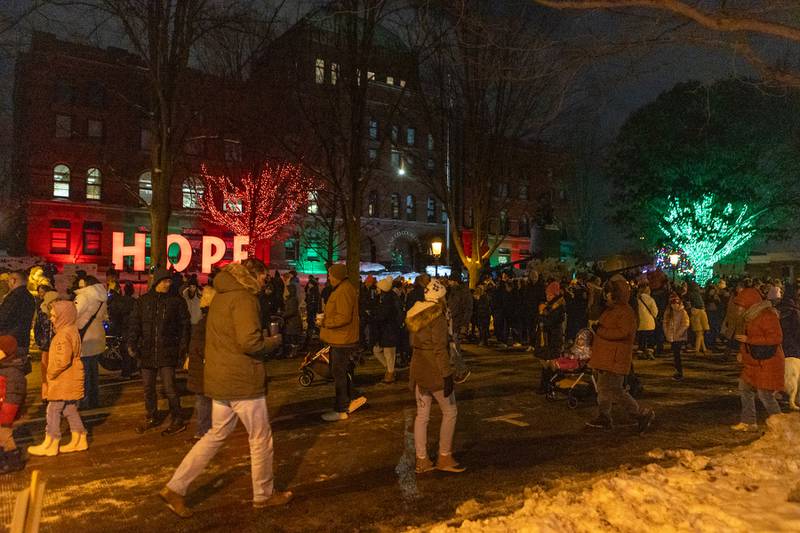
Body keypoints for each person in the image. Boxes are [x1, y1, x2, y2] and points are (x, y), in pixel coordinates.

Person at [160, 259, 290, 517]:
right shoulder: (244, 299)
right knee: (260, 438)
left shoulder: (220, 296)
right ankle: (263, 495)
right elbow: (249, 343)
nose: (266, 283)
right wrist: (273, 341)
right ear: (253, 276)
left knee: (214, 435)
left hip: (220, 380)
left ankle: (176, 487)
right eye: (264, 278)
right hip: (242, 380)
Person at [406, 279, 464, 474]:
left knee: (422, 415)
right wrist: (447, 375)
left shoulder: (414, 315)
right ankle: (444, 456)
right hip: (434, 369)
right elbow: (439, 349)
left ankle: (422, 460)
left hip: (418, 368)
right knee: (450, 411)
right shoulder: (437, 317)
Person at [586, 278, 655, 432]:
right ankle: (604, 416)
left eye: (608, 293)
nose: (606, 296)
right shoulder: (611, 310)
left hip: (615, 358)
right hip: (606, 357)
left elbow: (623, 333)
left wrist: (600, 331)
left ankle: (639, 414)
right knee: (604, 388)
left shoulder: (625, 312)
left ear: (616, 295)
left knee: (615, 390)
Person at [128, 268, 191, 436]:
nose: (167, 284)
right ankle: (151, 416)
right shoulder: (143, 301)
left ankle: (177, 418)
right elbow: (135, 324)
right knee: (148, 388)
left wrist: (183, 348)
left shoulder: (176, 302)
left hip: (167, 351)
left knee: (170, 387)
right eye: (164, 281)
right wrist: (132, 343)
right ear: (156, 282)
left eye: (169, 281)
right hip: (147, 351)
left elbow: (185, 326)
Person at [27, 301, 88, 456]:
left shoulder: (63, 335)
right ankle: (79, 438)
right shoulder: (72, 330)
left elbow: (62, 360)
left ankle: (51, 442)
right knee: (69, 409)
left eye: (54, 315)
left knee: (53, 409)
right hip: (70, 378)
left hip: (62, 380)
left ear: (64, 315)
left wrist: (50, 374)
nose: (52, 319)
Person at [731, 288, 785, 432]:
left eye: (740, 305)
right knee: (745, 387)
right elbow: (749, 342)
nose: (738, 308)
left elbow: (776, 338)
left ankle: (781, 425)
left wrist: (749, 339)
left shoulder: (767, 316)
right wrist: (743, 353)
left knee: (765, 394)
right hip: (755, 362)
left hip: (768, 362)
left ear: (749, 304)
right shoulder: (750, 317)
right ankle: (749, 422)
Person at [318, 264, 366, 422]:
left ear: (337, 276)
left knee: (339, 374)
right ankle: (350, 398)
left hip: (342, 340)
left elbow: (343, 317)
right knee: (340, 373)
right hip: (340, 339)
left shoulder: (344, 291)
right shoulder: (343, 289)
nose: (329, 278)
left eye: (330, 275)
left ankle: (342, 408)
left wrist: (325, 322)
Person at [74, 276, 108, 409]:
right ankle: (94, 399)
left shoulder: (84, 296)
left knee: (84, 372)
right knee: (93, 371)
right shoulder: (102, 297)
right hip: (97, 336)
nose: (80, 287)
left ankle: (84, 401)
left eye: (82, 284)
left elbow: (73, 313)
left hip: (85, 338)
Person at [186, 286, 216, 441]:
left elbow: (199, 345)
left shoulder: (206, 319)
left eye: (204, 295)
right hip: (203, 364)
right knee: (206, 400)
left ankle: (203, 431)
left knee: (203, 400)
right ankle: (206, 429)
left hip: (203, 366)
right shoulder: (211, 318)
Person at [372, 276, 401, 384]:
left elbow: (384, 315)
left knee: (389, 353)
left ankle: (390, 372)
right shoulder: (384, 298)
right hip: (385, 330)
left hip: (389, 330)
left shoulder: (388, 300)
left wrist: (375, 316)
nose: (377, 289)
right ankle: (390, 370)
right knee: (378, 350)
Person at [108, 281, 137, 378]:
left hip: (124, 328)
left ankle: (126, 372)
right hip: (132, 327)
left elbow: (115, 314)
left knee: (124, 351)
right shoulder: (135, 302)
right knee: (131, 349)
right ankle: (132, 369)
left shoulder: (120, 301)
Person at [34, 289, 59, 401]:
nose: (55, 303)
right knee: (45, 371)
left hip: (57, 346)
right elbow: (37, 329)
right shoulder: (42, 314)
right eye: (54, 300)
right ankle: (45, 394)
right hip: (46, 347)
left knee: (56, 370)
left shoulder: (60, 313)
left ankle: (55, 392)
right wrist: (40, 341)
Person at [446, 275, 472, 383]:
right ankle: (459, 369)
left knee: (455, 348)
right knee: (453, 348)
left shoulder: (461, 293)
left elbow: (466, 309)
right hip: (453, 323)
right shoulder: (454, 292)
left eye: (451, 281)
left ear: (455, 281)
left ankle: (462, 370)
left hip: (456, 323)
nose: (449, 283)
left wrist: (464, 325)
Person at [663, 294, 690, 381]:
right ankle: (678, 371)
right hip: (673, 336)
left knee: (677, 355)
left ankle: (679, 371)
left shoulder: (682, 312)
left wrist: (678, 333)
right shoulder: (669, 312)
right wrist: (668, 334)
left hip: (678, 337)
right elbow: (665, 323)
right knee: (676, 355)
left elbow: (685, 324)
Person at [636, 285, 658, 359]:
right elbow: (655, 311)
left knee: (641, 338)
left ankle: (640, 352)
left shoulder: (637, 299)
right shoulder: (650, 299)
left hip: (639, 322)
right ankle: (649, 351)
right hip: (649, 321)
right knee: (650, 337)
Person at [305, 276, 321, 343]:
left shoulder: (313, 290)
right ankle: (312, 332)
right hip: (312, 308)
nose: (308, 285)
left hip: (311, 308)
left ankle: (311, 334)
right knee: (312, 321)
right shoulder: (314, 290)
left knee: (311, 321)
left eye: (309, 283)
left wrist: (309, 306)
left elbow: (313, 300)